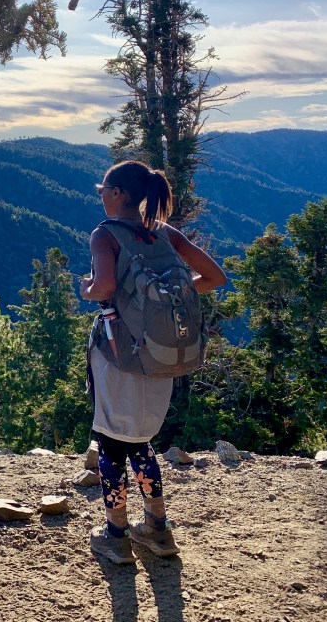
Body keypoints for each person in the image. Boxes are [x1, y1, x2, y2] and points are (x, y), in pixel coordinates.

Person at [79, 160, 226, 564]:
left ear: (119, 193)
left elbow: (105, 286)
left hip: (120, 354)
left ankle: (116, 536)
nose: (101, 196)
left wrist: (87, 288)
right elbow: (214, 278)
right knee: (140, 441)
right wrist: (166, 303)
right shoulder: (165, 233)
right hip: (163, 355)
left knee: (110, 443)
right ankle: (158, 531)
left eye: (103, 189)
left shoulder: (105, 235)